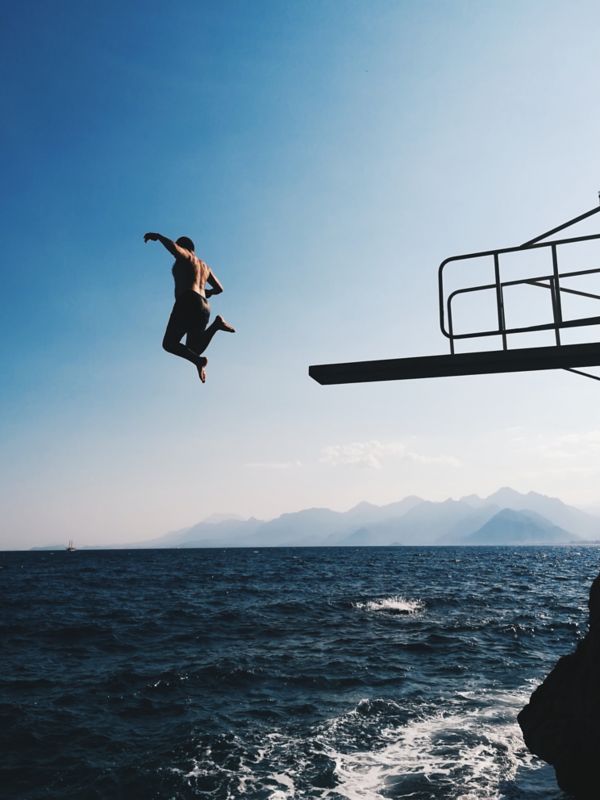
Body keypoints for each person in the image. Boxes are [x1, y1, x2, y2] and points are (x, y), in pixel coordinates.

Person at [144, 232, 235, 383]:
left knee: (169, 344)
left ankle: (198, 361)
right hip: (204, 306)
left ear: (184, 247)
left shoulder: (186, 256)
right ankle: (216, 325)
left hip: (187, 301)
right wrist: (207, 292)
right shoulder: (205, 266)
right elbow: (220, 288)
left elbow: (173, 247)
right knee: (194, 348)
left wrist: (158, 237)